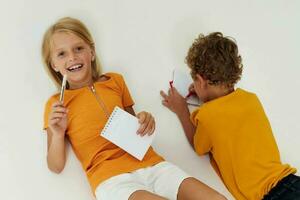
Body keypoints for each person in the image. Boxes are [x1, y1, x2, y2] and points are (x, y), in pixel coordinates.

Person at [41, 17, 226, 200]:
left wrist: (145, 121)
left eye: (78, 48)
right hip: (111, 179)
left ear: (92, 52)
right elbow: (55, 166)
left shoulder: (115, 81)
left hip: (152, 165)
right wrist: (57, 133)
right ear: (54, 65)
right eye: (61, 54)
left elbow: (136, 131)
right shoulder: (56, 104)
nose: (72, 57)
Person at [160, 32, 300, 200]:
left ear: (200, 80)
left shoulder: (206, 115)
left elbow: (199, 146)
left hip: (271, 196)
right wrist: (205, 96)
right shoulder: (251, 99)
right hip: (290, 181)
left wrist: (182, 110)